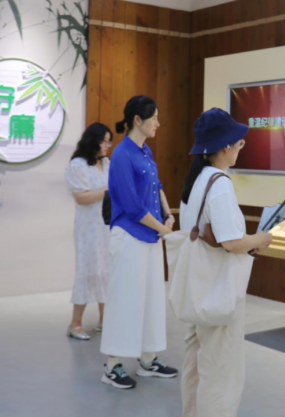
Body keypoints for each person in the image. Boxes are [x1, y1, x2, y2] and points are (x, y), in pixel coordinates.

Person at [179, 108, 273, 417]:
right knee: (220, 371)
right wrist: (260, 239)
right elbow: (232, 242)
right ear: (225, 146)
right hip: (218, 294)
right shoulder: (219, 184)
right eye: (238, 141)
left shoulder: (196, 181)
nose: (240, 146)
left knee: (195, 365)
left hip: (198, 290)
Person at [100, 95, 178, 390]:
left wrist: (168, 215)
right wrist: (162, 228)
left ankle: (148, 359)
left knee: (152, 299)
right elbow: (132, 206)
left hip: (151, 236)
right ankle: (112, 366)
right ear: (137, 120)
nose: (158, 123)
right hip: (130, 237)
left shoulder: (146, 151)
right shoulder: (121, 155)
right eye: (154, 118)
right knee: (124, 300)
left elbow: (157, 186)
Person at [65, 123, 113, 341]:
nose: (107, 145)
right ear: (92, 141)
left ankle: (105, 319)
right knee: (86, 270)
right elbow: (81, 197)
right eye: (104, 141)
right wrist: (108, 190)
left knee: (107, 270)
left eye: (109, 141)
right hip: (88, 229)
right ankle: (75, 324)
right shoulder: (78, 164)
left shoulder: (106, 163)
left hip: (107, 225)